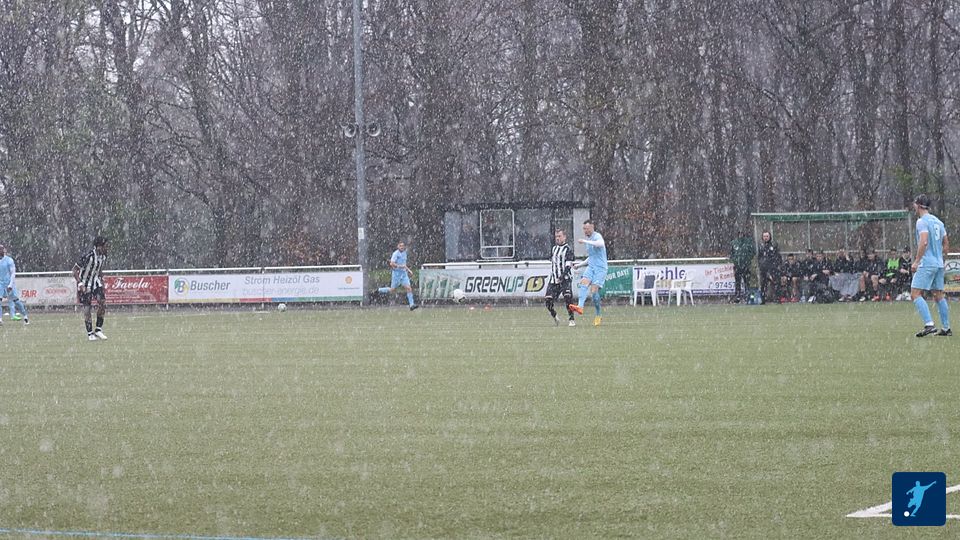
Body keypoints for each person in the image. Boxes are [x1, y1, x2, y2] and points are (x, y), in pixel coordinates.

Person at [910, 194, 950, 337]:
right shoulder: (938, 222)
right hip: (939, 263)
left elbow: (924, 241)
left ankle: (929, 324)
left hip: (927, 263)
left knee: (915, 293)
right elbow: (946, 244)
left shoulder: (921, 221)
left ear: (918, 205)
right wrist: (940, 257)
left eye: (915, 204)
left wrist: (917, 261)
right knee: (939, 295)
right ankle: (946, 328)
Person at [568, 220, 607, 327]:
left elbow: (600, 244)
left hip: (600, 268)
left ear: (592, 227)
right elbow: (591, 257)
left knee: (594, 291)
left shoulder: (597, 236)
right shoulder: (589, 240)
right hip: (591, 267)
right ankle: (580, 307)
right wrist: (579, 265)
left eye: (587, 228)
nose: (585, 231)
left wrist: (585, 241)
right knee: (583, 283)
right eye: (584, 229)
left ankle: (598, 315)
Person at [73, 236, 108, 341]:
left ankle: (98, 330)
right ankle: (90, 333)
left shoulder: (103, 256)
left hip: (95, 282)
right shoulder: (88, 256)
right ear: (98, 246)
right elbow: (74, 270)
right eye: (105, 246)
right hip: (85, 283)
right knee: (87, 308)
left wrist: (102, 281)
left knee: (102, 302)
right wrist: (80, 284)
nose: (106, 248)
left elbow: (99, 269)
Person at [377, 241, 419, 311]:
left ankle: (412, 305)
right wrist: (400, 266)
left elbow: (404, 265)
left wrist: (409, 270)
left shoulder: (404, 253)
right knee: (392, 290)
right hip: (396, 274)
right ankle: (379, 290)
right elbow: (392, 263)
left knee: (409, 288)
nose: (402, 247)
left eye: (403, 246)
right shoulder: (395, 254)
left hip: (404, 274)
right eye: (400, 246)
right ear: (398, 246)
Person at [546, 229, 576, 326]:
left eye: (559, 236)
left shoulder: (568, 249)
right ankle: (555, 316)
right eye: (556, 236)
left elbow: (568, 265)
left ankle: (571, 319)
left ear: (564, 237)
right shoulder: (554, 249)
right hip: (554, 280)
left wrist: (562, 276)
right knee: (548, 301)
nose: (557, 238)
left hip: (565, 279)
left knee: (568, 297)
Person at [0, 244, 29, 325]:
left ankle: (25, 316)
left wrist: (10, 285)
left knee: (16, 301)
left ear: (3, 250)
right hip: (0, 284)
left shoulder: (9, 260)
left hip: (8, 283)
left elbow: (13, 273)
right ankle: (0, 319)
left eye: (1, 249)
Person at [756, 231, 781, 304]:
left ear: (770, 237)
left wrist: (777, 266)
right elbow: (759, 257)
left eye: (767, 236)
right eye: (764, 236)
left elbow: (777, 256)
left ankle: (777, 299)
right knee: (763, 284)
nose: (766, 238)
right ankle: (763, 300)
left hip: (773, 268)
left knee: (776, 283)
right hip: (764, 269)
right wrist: (760, 265)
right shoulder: (761, 246)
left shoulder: (774, 245)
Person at [729, 231, 754, 303]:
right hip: (737, 266)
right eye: (739, 233)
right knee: (737, 282)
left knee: (747, 282)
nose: (741, 235)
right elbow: (731, 254)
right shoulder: (734, 243)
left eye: (742, 233)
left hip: (746, 266)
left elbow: (752, 252)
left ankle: (747, 296)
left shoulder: (748, 242)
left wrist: (747, 260)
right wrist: (735, 260)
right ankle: (737, 296)